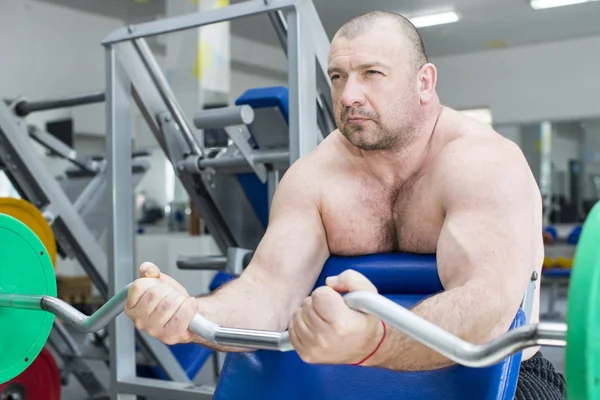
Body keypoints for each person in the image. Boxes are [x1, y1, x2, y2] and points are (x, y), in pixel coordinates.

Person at [125, 10, 565, 400]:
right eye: (338, 76)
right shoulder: (314, 176)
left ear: (424, 83)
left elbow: (488, 308)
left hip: (498, 378)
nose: (349, 95)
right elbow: (268, 292)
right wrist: (193, 315)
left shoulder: (484, 163)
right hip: (337, 376)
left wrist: (374, 338)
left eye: (371, 73)